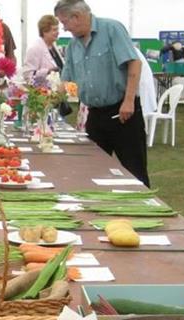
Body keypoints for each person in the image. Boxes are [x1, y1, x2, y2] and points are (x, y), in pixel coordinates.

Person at [55, 0, 150, 187]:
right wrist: (45, 99)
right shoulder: (74, 45)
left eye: (64, 22)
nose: (64, 29)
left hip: (123, 113)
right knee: (93, 169)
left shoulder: (112, 29)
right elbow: (66, 81)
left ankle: (145, 212)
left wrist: (129, 101)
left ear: (77, 16)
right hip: (96, 115)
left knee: (134, 171)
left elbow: (134, 63)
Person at [22, 15, 63, 80]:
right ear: (44, 32)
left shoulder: (54, 45)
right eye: (54, 30)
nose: (58, 32)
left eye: (57, 29)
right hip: (42, 89)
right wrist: (47, 71)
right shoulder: (34, 48)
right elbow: (27, 74)